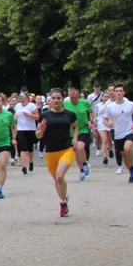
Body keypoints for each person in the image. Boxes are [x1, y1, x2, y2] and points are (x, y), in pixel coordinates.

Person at [36, 88, 78, 217]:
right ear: (50, 100)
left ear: (62, 99)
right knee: (58, 180)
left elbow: (75, 126)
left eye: (58, 98)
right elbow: (37, 135)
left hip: (67, 149)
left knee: (60, 176)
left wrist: (75, 138)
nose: (56, 100)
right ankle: (63, 201)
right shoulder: (45, 115)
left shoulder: (70, 114)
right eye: (53, 98)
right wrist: (42, 130)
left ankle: (62, 204)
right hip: (51, 151)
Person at [102, 85, 133, 182]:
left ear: (124, 93)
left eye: (120, 91)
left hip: (130, 130)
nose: (118, 93)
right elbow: (105, 119)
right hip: (118, 133)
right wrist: (108, 124)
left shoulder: (130, 104)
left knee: (128, 148)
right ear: (114, 93)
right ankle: (131, 174)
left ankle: (132, 168)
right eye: (117, 91)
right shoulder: (110, 107)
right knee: (124, 154)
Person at [63, 86, 93, 181]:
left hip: (83, 128)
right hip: (71, 130)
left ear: (78, 95)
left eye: (75, 97)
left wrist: (91, 121)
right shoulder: (65, 103)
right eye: (71, 97)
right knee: (75, 149)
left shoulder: (84, 103)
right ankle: (81, 170)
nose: (73, 99)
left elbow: (92, 112)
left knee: (80, 147)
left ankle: (85, 164)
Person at [14, 91, 39, 175]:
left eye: (22, 98)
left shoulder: (32, 106)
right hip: (21, 129)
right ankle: (24, 166)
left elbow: (37, 117)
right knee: (23, 148)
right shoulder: (17, 106)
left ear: (27, 99)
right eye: (20, 98)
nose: (21, 100)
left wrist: (29, 115)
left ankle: (31, 162)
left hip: (30, 129)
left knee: (30, 148)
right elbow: (15, 117)